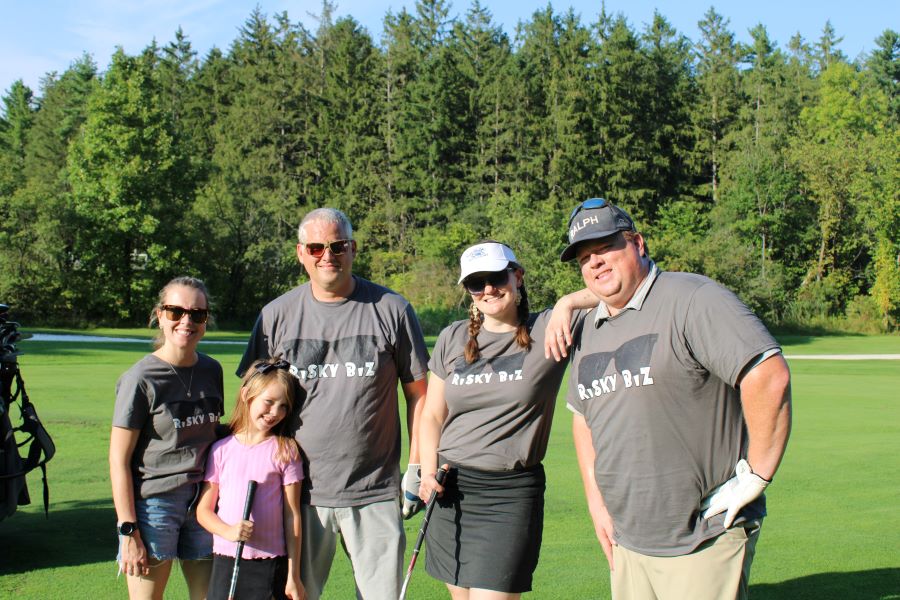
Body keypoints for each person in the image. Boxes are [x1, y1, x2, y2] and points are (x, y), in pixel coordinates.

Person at [546, 198, 792, 600]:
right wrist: (597, 505)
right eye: (584, 257)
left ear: (638, 244)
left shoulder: (692, 298)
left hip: (702, 536)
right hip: (627, 541)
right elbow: (583, 418)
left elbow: (769, 376)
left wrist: (758, 475)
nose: (595, 262)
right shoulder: (588, 328)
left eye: (606, 247)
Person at [238, 207, 430, 600]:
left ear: (353, 248)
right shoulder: (276, 316)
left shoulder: (391, 309)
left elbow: (420, 394)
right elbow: (251, 402)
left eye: (338, 245)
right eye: (316, 247)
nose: (328, 255)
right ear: (301, 253)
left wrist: (416, 465)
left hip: (374, 490)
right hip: (297, 493)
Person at [417, 241, 595, 599]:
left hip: (509, 494)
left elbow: (614, 286)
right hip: (451, 487)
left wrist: (567, 303)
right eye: (475, 283)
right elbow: (433, 414)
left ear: (517, 276)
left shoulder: (549, 327)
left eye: (496, 277)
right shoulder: (452, 337)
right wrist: (425, 471)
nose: (488, 290)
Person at [110, 276, 224, 600]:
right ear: (160, 315)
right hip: (155, 505)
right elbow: (118, 461)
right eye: (176, 311)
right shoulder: (140, 379)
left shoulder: (211, 371)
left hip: (205, 500)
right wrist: (127, 529)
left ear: (205, 320)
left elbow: (211, 433)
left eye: (197, 314)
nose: (186, 321)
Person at [197, 358, 306, 600]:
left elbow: (292, 515)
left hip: (269, 564)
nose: (274, 413)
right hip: (226, 558)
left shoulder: (285, 450)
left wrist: (293, 574)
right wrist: (228, 531)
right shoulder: (221, 450)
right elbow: (204, 511)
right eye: (269, 402)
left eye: (283, 406)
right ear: (247, 394)